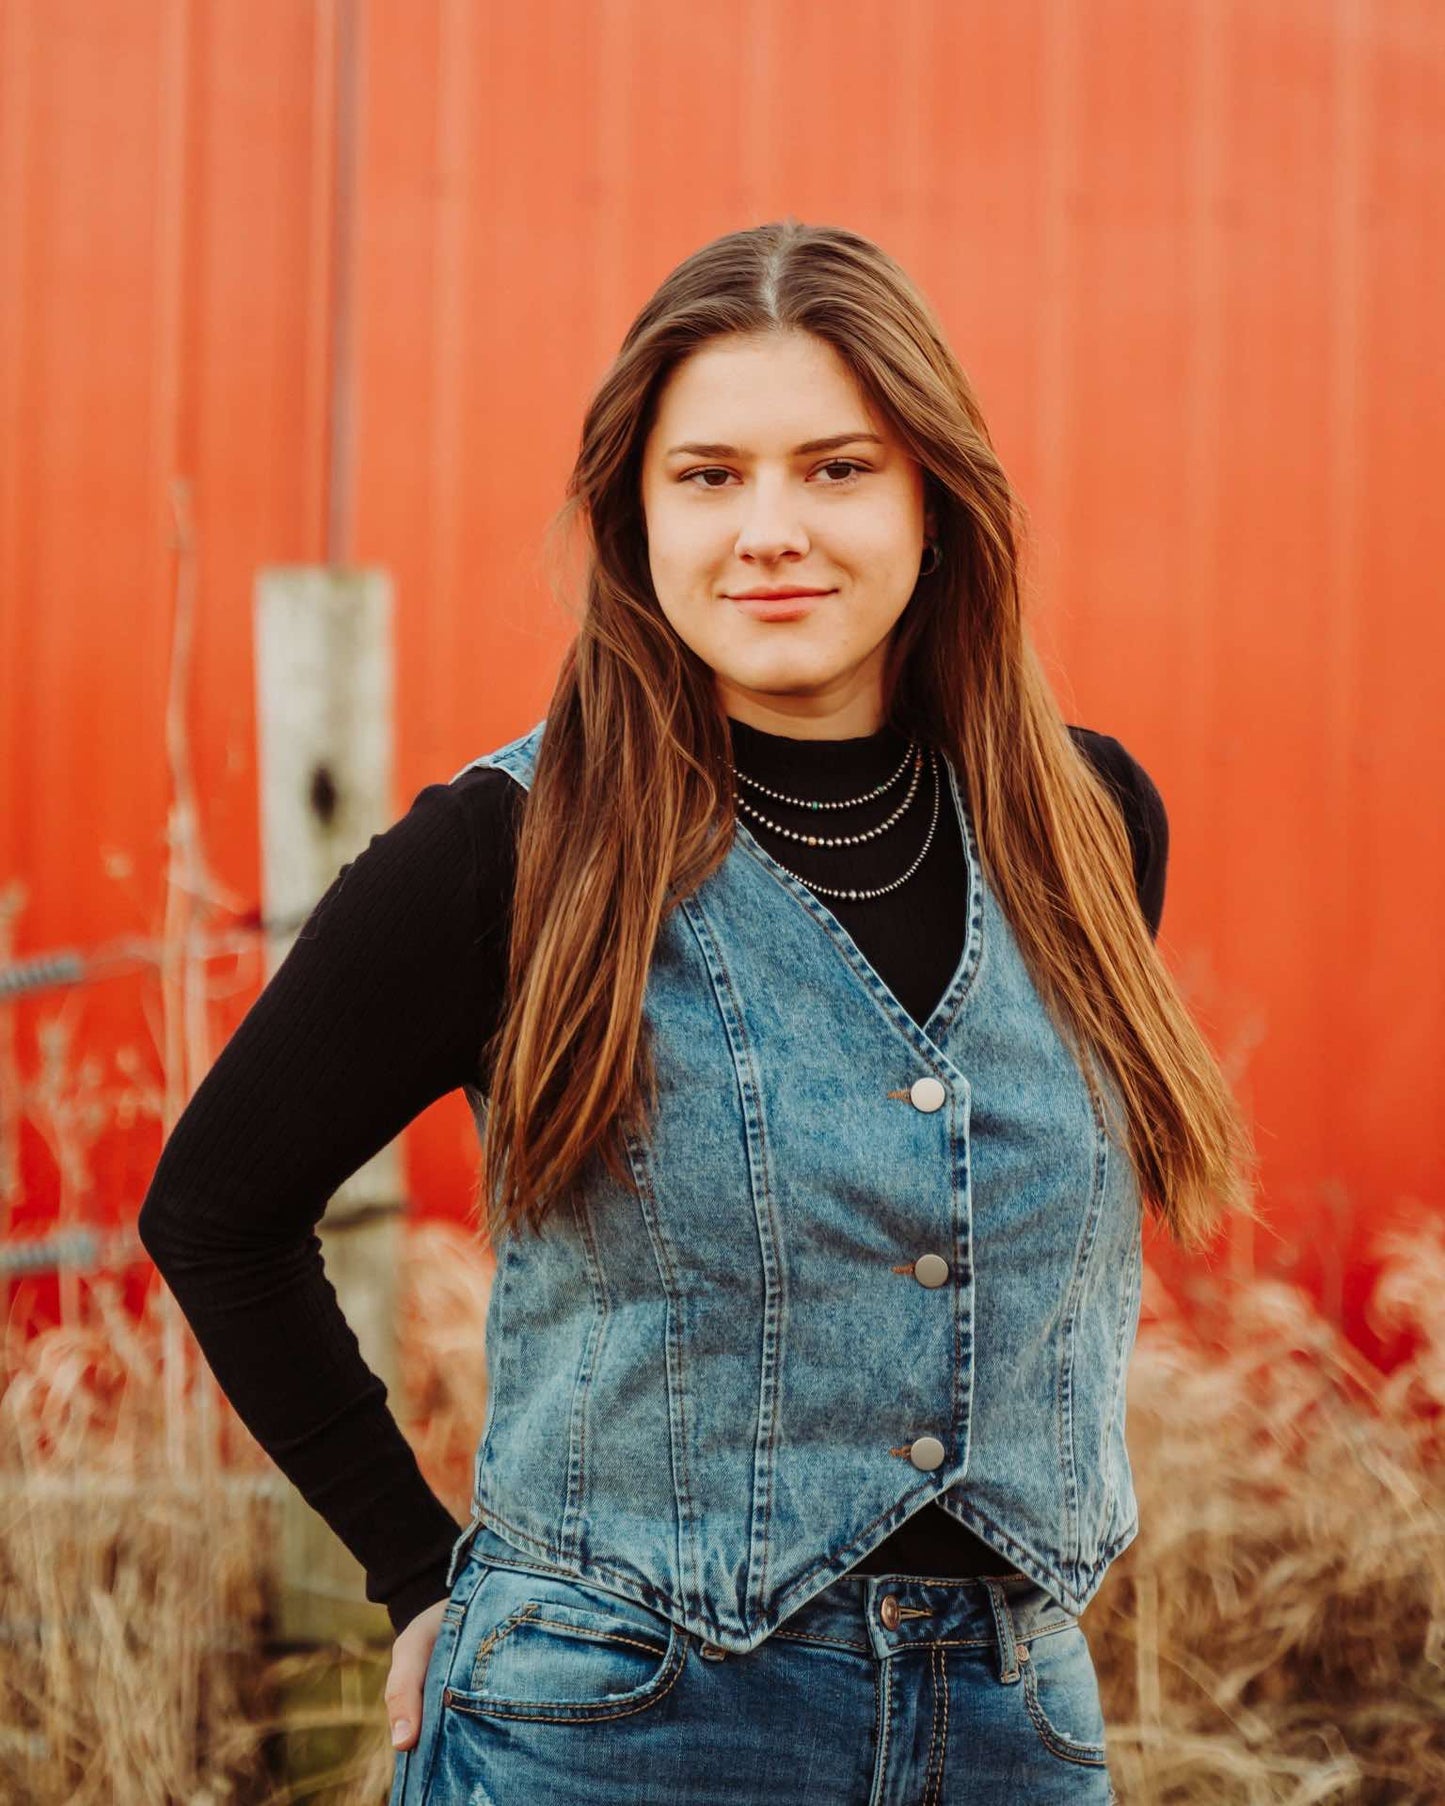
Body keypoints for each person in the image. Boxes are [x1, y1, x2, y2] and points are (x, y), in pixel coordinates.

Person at [139, 219, 1257, 1803]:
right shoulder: (507, 854)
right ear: (633, 516)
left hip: (1012, 1731)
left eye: (837, 469)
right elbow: (217, 1208)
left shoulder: (1086, 823)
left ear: (934, 502)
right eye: (709, 475)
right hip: (608, 1729)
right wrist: (416, 1569)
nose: (770, 531)